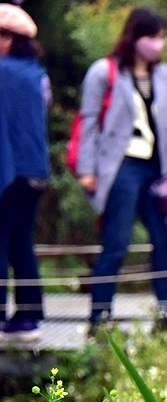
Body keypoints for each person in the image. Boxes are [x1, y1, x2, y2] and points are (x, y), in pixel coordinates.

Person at [75, 7, 167, 334]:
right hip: (121, 166)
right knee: (116, 242)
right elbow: (89, 122)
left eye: (162, 38)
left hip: (156, 167)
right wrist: (86, 169)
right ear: (135, 36)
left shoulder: (162, 74)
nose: (158, 45)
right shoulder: (104, 72)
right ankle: (100, 317)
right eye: (152, 37)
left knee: (164, 240)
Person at [0, 3, 49, 342]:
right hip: (35, 169)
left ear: (14, 39)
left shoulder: (4, 72)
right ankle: (29, 315)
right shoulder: (36, 73)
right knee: (21, 243)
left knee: (3, 242)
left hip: (11, 169)